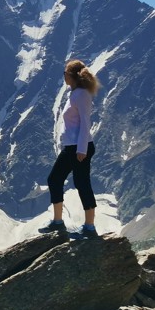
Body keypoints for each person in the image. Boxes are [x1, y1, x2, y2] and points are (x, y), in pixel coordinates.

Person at [39, 59, 101, 239]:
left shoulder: (81, 95)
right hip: (72, 147)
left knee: (82, 184)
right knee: (55, 179)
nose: (64, 76)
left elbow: (85, 123)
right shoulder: (75, 93)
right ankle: (58, 222)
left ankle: (89, 227)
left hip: (79, 148)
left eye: (65, 73)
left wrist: (81, 149)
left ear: (71, 76)